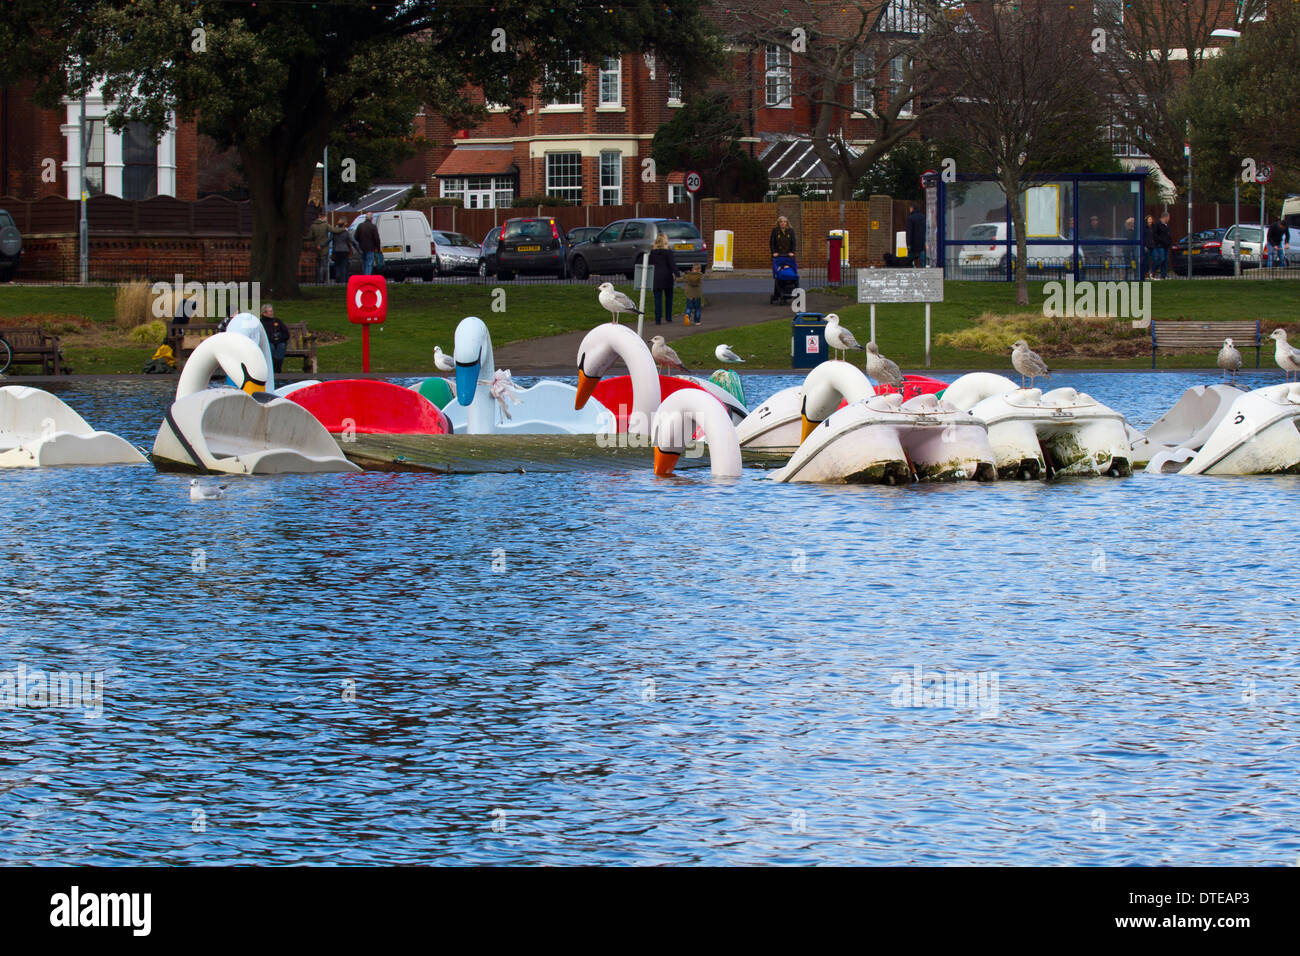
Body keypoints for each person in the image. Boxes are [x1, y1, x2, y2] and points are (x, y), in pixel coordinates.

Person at [648, 232, 680, 325]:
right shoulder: (668, 252)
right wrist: (677, 274)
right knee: (668, 298)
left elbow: (650, 264)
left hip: (656, 277)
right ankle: (668, 317)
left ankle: (658, 319)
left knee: (657, 299)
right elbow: (672, 264)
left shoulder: (652, 252)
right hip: (667, 277)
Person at [770, 214, 795, 303]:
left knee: (789, 273)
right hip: (778, 256)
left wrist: (792, 252)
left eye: (784, 222)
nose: (783, 223)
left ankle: (789, 292)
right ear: (778, 223)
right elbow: (772, 243)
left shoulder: (790, 231)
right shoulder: (775, 231)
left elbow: (793, 243)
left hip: (788, 256)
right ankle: (778, 294)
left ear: (787, 223)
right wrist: (774, 253)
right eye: (781, 222)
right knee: (779, 274)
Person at [260, 304, 291, 373]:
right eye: (270, 311)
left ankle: (277, 368)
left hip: (279, 342)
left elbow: (286, 334)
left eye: (272, 311)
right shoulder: (261, 323)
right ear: (264, 313)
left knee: (282, 346)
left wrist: (279, 337)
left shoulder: (277, 321)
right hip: (268, 343)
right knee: (271, 347)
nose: (272, 313)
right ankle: (271, 368)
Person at [307, 214, 331, 283]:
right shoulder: (326, 225)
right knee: (323, 265)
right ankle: (321, 280)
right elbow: (334, 230)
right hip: (324, 248)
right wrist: (342, 229)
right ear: (323, 217)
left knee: (318, 264)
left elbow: (310, 237)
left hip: (316, 247)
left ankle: (317, 280)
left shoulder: (313, 226)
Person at [1153, 211, 1172, 279]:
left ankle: (1163, 276)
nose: (1169, 219)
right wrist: (1161, 241)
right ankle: (1153, 271)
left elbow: (1168, 235)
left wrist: (1169, 243)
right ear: (1165, 217)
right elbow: (1155, 235)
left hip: (1166, 246)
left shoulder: (1166, 225)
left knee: (1166, 261)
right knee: (1162, 259)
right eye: (1168, 217)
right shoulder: (1157, 224)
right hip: (1160, 245)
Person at [1142, 213, 1156, 279]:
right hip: (1147, 246)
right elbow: (1144, 237)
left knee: (1155, 259)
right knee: (1147, 261)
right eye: (1149, 219)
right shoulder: (1144, 228)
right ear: (1146, 220)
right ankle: (1146, 274)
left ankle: (1153, 273)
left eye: (1151, 219)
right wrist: (1144, 245)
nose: (1150, 220)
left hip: (1153, 246)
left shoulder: (1153, 227)